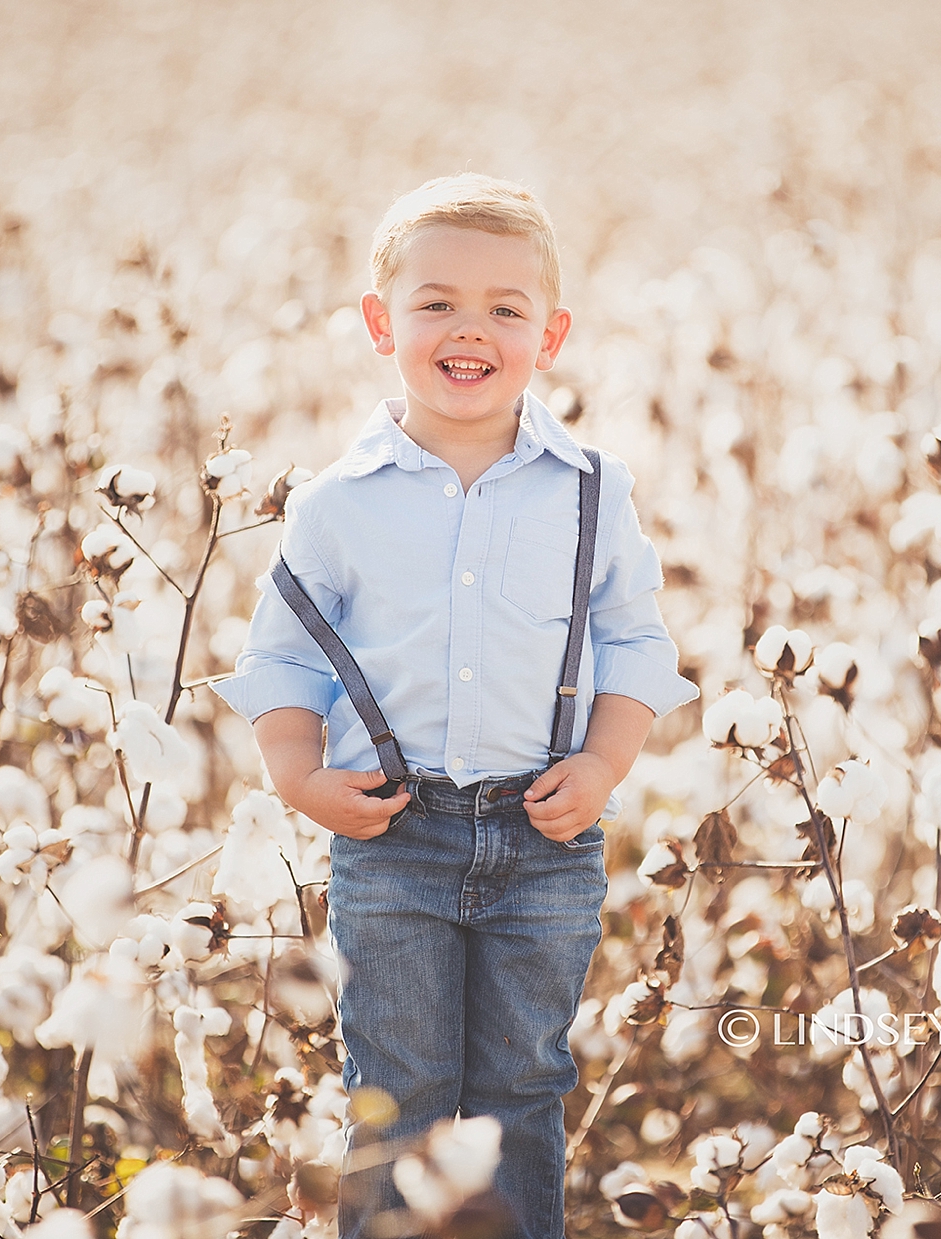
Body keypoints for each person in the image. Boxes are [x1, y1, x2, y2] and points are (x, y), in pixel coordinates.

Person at [210, 173, 698, 1237]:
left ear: (550, 334)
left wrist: (604, 766)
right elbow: (283, 653)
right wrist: (296, 776)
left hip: (543, 834)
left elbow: (634, 642)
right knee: (399, 1092)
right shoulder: (337, 500)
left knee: (524, 1086)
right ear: (381, 322)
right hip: (393, 837)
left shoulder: (589, 488)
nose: (468, 329)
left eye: (504, 308)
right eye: (435, 303)